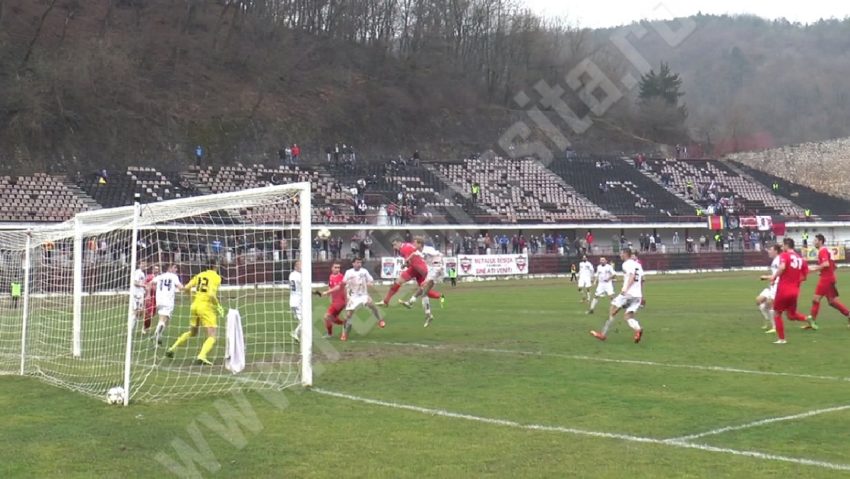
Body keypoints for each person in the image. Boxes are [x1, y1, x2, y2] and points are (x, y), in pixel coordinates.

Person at [166, 259, 223, 365]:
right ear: (215, 266)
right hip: (206, 307)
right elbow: (211, 294)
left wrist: (191, 297)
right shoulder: (216, 277)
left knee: (193, 332)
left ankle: (172, 348)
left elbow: (186, 287)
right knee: (212, 335)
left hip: (195, 306)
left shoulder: (200, 275)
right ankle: (202, 355)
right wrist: (218, 305)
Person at [591, 248, 644, 343]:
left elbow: (632, 276)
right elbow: (642, 280)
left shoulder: (626, 264)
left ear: (625, 254)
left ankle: (603, 334)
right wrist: (641, 295)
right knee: (628, 316)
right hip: (637, 295)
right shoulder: (638, 265)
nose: (620, 255)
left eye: (621, 253)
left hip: (628, 293)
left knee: (612, 308)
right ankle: (638, 330)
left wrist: (626, 288)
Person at [805, 234, 850, 330]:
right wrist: (821, 271)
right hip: (829, 277)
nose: (814, 242)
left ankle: (812, 322)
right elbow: (832, 266)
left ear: (820, 241)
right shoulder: (825, 250)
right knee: (831, 302)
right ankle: (848, 314)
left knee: (815, 299)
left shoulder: (823, 251)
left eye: (815, 240)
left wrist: (814, 269)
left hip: (826, 279)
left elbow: (826, 264)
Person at [378, 238, 440, 306]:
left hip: (421, 269)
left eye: (395, 245)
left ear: (399, 243)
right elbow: (413, 258)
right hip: (415, 268)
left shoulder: (404, 249)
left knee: (424, 290)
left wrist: (405, 265)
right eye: (393, 245)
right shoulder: (407, 246)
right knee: (399, 282)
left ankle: (440, 296)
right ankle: (386, 301)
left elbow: (409, 262)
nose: (394, 247)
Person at [769, 238, 809, 344]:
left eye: (783, 245)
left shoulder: (785, 255)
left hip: (783, 289)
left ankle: (782, 339)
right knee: (791, 315)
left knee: (777, 313)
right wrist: (795, 281)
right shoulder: (801, 259)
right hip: (795, 291)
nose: (782, 248)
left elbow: (782, 267)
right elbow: (805, 276)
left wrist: (773, 277)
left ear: (787, 245)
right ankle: (809, 318)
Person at [401, 239, 446, 327]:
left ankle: (410, 302)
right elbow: (413, 255)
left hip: (437, 268)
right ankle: (428, 315)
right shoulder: (418, 251)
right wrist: (405, 263)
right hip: (432, 270)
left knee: (423, 285)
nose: (413, 244)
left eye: (415, 243)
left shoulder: (428, 249)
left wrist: (438, 261)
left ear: (420, 244)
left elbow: (438, 253)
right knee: (424, 293)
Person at [340, 258, 385, 341]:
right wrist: (346, 298)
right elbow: (344, 284)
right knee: (348, 315)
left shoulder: (364, 271)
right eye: (357, 262)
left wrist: (370, 283)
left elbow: (371, 280)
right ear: (353, 264)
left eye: (360, 262)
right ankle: (344, 333)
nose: (359, 264)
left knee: (372, 305)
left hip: (363, 295)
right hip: (353, 296)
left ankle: (380, 320)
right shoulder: (348, 272)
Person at [149, 264, 184, 346]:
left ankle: (158, 336)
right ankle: (156, 337)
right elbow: (180, 286)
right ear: (170, 268)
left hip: (159, 300)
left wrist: (151, 292)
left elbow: (150, 283)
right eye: (175, 268)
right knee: (163, 321)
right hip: (168, 301)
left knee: (164, 319)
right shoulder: (174, 277)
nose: (176, 270)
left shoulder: (160, 276)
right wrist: (187, 288)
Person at [318, 263, 347, 339]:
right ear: (332, 268)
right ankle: (344, 323)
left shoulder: (341, 277)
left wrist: (327, 292)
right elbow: (330, 285)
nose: (337, 269)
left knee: (327, 316)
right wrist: (328, 294)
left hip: (341, 301)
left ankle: (330, 334)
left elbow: (338, 287)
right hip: (335, 301)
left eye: (339, 267)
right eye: (336, 267)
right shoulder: (331, 276)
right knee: (330, 317)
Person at [756, 245, 780, 332]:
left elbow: (778, 275)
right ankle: (767, 318)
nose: (769, 251)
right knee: (758, 300)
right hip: (772, 285)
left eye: (770, 250)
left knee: (770, 303)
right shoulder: (774, 261)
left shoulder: (779, 260)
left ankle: (774, 327)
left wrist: (766, 277)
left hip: (777, 286)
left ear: (776, 251)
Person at [143, 265, 160, 335]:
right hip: (150, 296)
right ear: (153, 270)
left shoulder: (159, 277)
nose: (156, 270)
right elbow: (145, 284)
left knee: (153, 313)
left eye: (157, 269)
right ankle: (143, 328)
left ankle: (148, 327)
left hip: (157, 297)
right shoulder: (149, 276)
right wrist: (148, 293)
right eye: (155, 269)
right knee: (148, 313)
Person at [289, 260, 304, 342]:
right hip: (298, 301)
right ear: (295, 267)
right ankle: (295, 333)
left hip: (292, 300)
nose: (302, 267)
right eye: (300, 265)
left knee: (302, 320)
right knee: (304, 320)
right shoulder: (299, 276)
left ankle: (299, 334)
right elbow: (304, 286)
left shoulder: (291, 274)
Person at [131, 261, 147, 332]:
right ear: (139, 264)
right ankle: (130, 330)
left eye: (145, 264)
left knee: (139, 313)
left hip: (140, 294)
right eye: (142, 264)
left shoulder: (143, 273)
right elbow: (135, 282)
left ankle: (131, 328)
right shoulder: (137, 272)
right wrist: (143, 285)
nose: (144, 265)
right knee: (135, 312)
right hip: (136, 295)